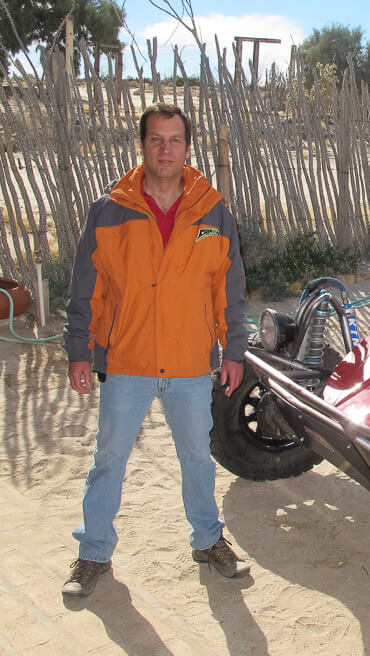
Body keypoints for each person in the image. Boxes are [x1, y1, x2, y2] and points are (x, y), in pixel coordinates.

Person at [62, 103, 250, 596]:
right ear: (142, 145)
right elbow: (86, 288)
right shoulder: (109, 211)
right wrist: (78, 350)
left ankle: (208, 540)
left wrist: (233, 350)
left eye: (174, 140)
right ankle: (93, 552)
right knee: (109, 459)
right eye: (155, 140)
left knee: (198, 458)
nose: (165, 150)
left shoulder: (213, 213)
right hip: (128, 360)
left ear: (188, 148)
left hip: (190, 363)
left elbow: (228, 289)